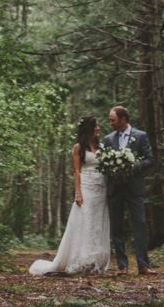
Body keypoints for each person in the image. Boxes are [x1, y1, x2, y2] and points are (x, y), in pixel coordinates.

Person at [28, 117, 111, 276]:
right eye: (96, 126)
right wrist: (78, 193)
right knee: (85, 222)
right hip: (86, 188)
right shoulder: (78, 148)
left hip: (101, 189)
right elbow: (76, 171)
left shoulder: (101, 147)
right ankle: (81, 260)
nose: (99, 128)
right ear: (89, 128)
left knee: (97, 224)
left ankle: (96, 262)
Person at [103, 105, 155, 275]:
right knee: (117, 227)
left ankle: (143, 266)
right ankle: (122, 266)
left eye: (113, 120)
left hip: (134, 188)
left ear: (123, 120)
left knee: (139, 225)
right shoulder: (108, 139)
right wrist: (113, 172)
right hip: (115, 188)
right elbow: (104, 164)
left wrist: (131, 167)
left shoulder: (141, 136)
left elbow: (149, 160)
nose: (110, 123)